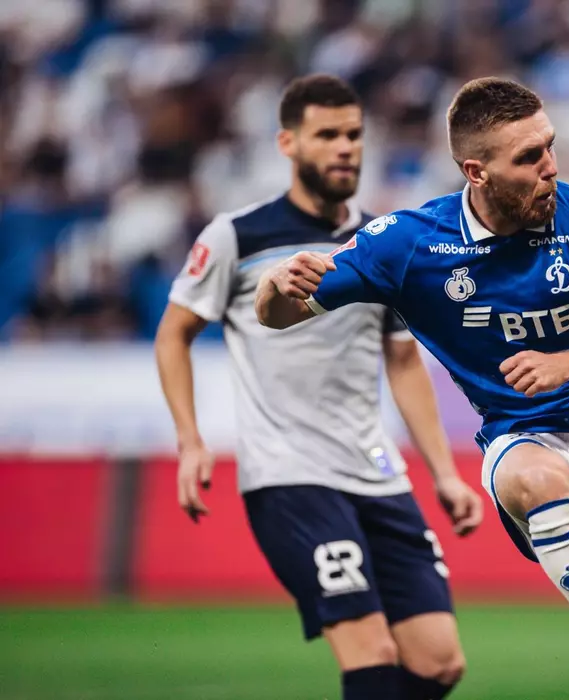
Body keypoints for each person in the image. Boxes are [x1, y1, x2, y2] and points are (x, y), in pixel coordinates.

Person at [255, 77, 569, 700]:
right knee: (538, 480)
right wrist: (274, 284)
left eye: (549, 146)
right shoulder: (412, 244)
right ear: (476, 172)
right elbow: (278, 314)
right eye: (529, 157)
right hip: (525, 439)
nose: (551, 167)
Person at [155, 74, 483, 700]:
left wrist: (444, 473)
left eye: (353, 134)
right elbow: (174, 334)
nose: (345, 148)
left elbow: (403, 361)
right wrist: (190, 440)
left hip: (376, 472)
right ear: (288, 143)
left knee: (439, 663)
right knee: (372, 654)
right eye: (327, 135)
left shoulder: (385, 242)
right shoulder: (237, 236)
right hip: (290, 475)